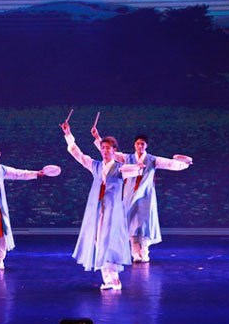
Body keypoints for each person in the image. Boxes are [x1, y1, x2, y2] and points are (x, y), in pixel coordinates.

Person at [91, 128, 191, 262]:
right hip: (129, 196)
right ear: (134, 145)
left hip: (145, 197)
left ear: (146, 146)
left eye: (142, 144)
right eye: (138, 144)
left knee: (143, 224)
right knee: (131, 223)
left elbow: (170, 163)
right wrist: (97, 137)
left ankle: (144, 252)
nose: (140, 146)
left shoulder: (152, 160)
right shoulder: (128, 158)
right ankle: (135, 252)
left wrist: (183, 164)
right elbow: (109, 152)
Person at [61, 121, 138, 290]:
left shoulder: (120, 169)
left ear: (114, 150)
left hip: (112, 210)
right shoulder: (95, 165)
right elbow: (78, 154)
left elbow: (136, 169)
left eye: (108, 148)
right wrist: (68, 135)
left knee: (108, 241)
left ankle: (112, 278)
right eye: (103, 148)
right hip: (96, 210)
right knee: (97, 240)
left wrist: (139, 166)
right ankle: (111, 278)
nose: (105, 151)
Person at [0, 142, 44, 270]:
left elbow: (18, 173)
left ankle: (0, 257)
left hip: (0, 205)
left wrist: (36, 173)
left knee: (3, 232)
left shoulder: (2, 169)